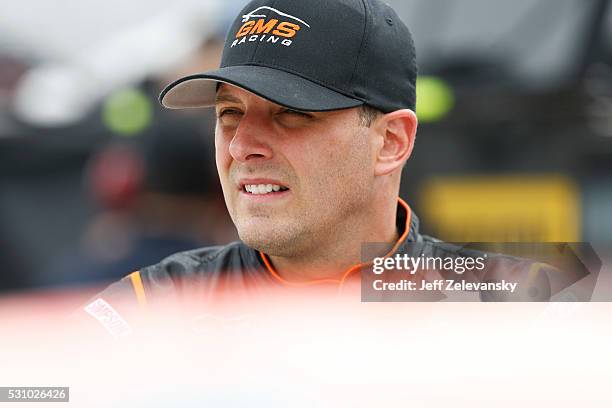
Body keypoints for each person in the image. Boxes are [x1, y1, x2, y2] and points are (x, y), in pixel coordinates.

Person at [78, 0, 561, 337]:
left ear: (391, 142)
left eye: (291, 114)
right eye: (229, 115)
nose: (242, 145)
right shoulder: (149, 307)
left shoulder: (518, 303)